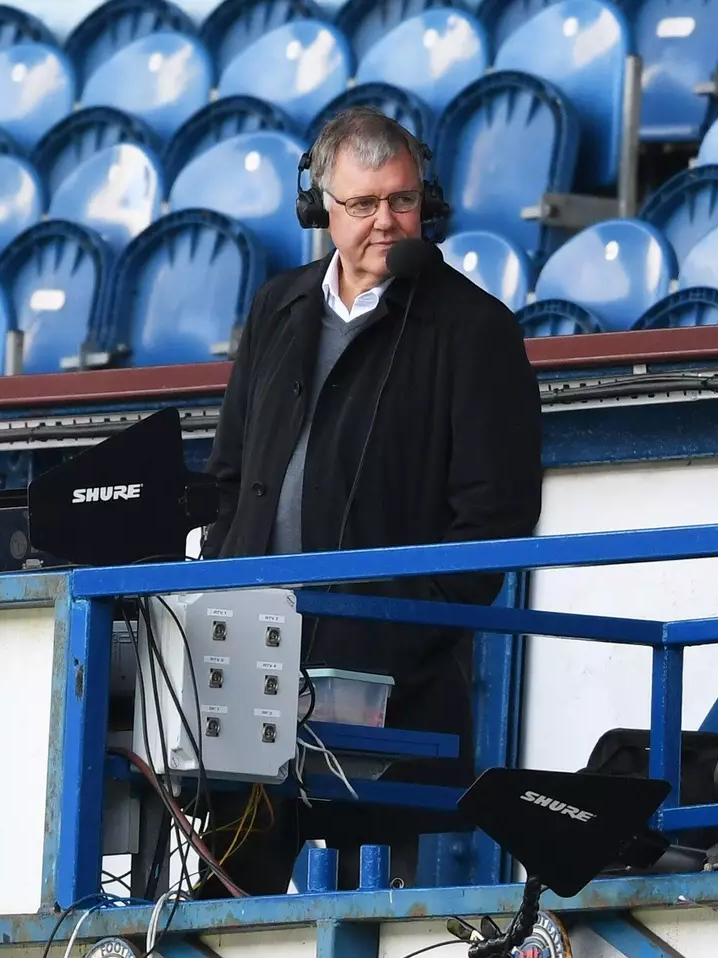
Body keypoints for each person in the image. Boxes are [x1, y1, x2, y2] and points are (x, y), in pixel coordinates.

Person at [197, 108, 544, 894]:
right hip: (253, 663)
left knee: (380, 910)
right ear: (319, 208)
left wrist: (398, 636)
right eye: (364, 204)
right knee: (223, 895)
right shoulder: (276, 308)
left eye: (404, 200)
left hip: (393, 681)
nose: (387, 221)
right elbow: (228, 477)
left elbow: (493, 524)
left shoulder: (475, 329)